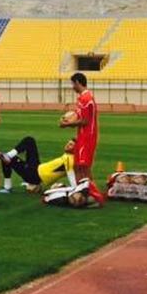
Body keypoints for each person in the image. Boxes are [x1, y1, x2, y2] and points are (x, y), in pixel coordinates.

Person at [59, 72, 103, 203]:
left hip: (88, 136)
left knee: (84, 166)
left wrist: (68, 125)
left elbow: (85, 121)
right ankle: (81, 191)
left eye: (73, 83)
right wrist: (68, 121)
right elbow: (79, 116)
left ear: (78, 82)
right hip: (82, 135)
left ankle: (92, 193)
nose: (72, 86)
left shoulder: (87, 99)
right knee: (78, 165)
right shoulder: (82, 98)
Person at [0, 136, 76, 193]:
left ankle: (7, 187)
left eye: (71, 145)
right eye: (68, 143)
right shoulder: (69, 156)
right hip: (37, 168)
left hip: (34, 175)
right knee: (30, 141)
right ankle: (8, 155)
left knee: (8, 158)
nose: (67, 145)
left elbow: (71, 174)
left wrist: (74, 189)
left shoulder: (69, 159)